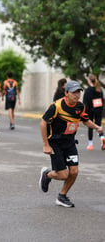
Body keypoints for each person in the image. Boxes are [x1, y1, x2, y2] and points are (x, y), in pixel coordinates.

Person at [39, 80, 102, 208]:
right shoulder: (56, 106)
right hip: (55, 143)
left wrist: (96, 126)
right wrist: (46, 144)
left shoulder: (80, 106)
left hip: (70, 142)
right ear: (66, 93)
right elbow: (43, 123)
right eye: (74, 92)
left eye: (78, 92)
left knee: (74, 171)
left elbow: (85, 120)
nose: (77, 95)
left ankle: (62, 196)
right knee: (63, 174)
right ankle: (47, 174)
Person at [83, 74, 105, 150]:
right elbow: (102, 100)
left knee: (91, 127)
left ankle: (90, 145)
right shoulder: (99, 89)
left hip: (90, 111)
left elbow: (85, 102)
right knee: (99, 126)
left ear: (89, 81)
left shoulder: (88, 90)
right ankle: (103, 142)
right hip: (98, 110)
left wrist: (85, 111)